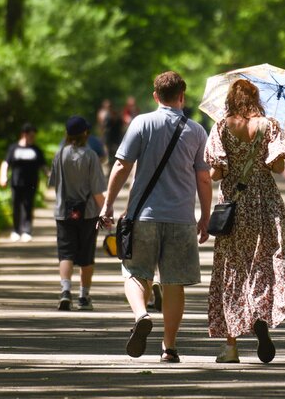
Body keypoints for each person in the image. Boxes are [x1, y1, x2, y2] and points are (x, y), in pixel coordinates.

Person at [100, 71, 211, 363]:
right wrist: (205, 216)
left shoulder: (142, 123)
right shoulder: (197, 131)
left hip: (144, 216)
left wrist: (108, 204)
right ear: (182, 96)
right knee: (174, 283)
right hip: (181, 218)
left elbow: (122, 166)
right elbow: (204, 179)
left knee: (135, 273)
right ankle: (169, 348)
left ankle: (142, 314)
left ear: (155, 96)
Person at [204, 79, 285, 364]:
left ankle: (230, 347)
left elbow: (216, 172)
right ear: (256, 99)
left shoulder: (221, 127)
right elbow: (278, 167)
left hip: (234, 208)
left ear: (231, 99)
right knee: (265, 263)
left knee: (232, 270)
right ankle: (259, 318)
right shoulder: (270, 126)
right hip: (265, 205)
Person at [48, 116, 108, 311]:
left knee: (66, 253)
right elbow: (98, 190)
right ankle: (84, 296)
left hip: (64, 212)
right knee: (86, 256)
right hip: (88, 212)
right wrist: (106, 210)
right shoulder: (90, 156)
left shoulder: (59, 155)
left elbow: (53, 183)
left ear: (67, 134)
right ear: (85, 134)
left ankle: (65, 291)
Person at [0, 123, 46, 243]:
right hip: (16, 182)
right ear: (23, 134)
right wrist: (3, 176)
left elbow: (43, 166)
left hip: (31, 182)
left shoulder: (36, 150)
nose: (33, 138)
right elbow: (6, 163)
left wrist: (50, 176)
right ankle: (16, 230)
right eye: (31, 136)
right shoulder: (13, 148)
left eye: (34, 136)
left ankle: (26, 231)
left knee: (28, 206)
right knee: (16, 206)